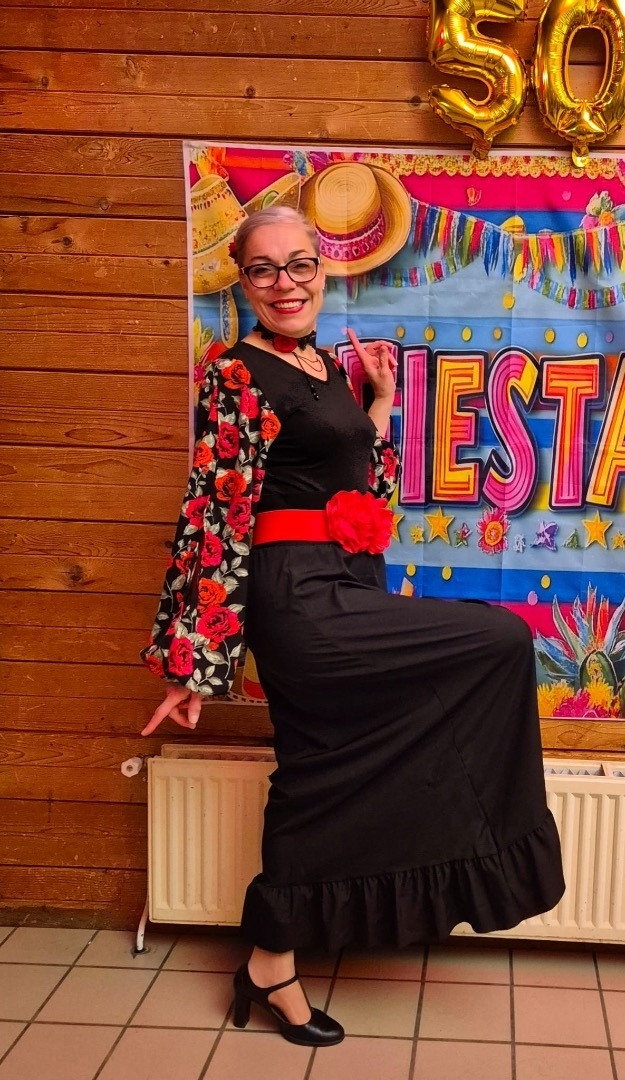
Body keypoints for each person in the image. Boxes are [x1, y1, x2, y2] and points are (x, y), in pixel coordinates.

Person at [140, 205, 565, 1048]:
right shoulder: (234, 376)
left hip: (345, 575)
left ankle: (270, 961)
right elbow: (215, 516)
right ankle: (286, 953)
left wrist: (379, 401)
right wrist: (194, 663)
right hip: (297, 597)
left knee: (321, 770)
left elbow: (362, 486)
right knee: (497, 640)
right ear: (243, 280)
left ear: (322, 269)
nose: (285, 283)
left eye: (299, 264)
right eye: (264, 269)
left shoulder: (324, 365)